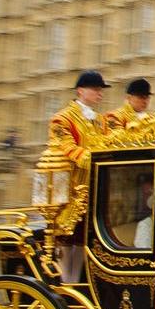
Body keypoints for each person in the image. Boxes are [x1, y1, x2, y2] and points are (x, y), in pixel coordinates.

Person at [46, 70, 111, 281]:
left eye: (101, 90)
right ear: (81, 91)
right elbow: (63, 145)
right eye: (96, 90)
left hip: (94, 188)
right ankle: (65, 283)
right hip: (71, 190)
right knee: (67, 238)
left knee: (84, 240)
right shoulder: (62, 119)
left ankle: (75, 283)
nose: (99, 94)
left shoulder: (101, 121)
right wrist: (92, 159)